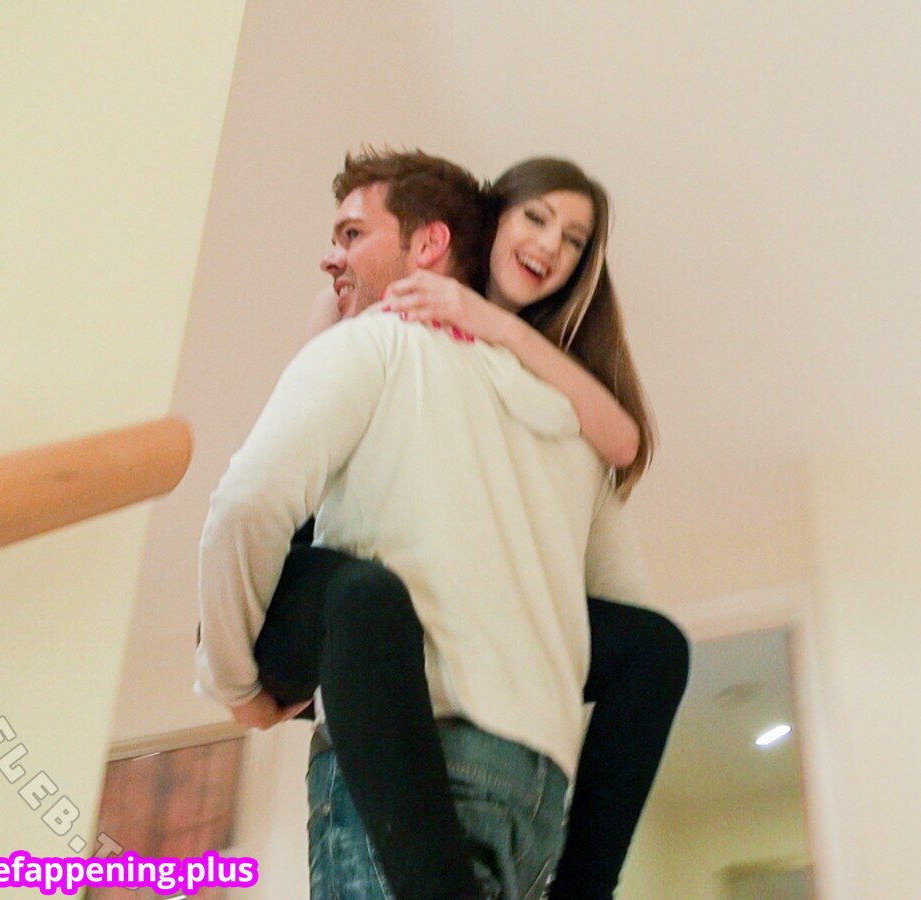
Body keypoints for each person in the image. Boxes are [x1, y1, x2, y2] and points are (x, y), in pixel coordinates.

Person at [197, 149, 684, 899]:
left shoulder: (379, 341)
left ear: (429, 244)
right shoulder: (570, 422)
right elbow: (632, 621)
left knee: (344, 590)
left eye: (352, 234)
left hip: (409, 753)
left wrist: (234, 685)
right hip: (533, 797)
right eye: (535, 219)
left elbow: (248, 502)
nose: (332, 256)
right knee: (653, 645)